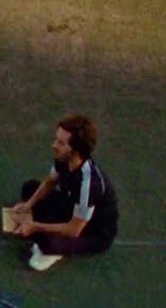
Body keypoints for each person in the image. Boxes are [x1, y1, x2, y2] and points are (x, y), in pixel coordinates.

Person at [9, 114, 118, 271]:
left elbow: (74, 230)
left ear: (75, 151)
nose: (54, 145)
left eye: (60, 143)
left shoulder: (89, 183)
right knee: (30, 188)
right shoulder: (63, 159)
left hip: (92, 232)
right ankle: (44, 226)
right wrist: (28, 204)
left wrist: (35, 227)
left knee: (49, 243)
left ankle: (52, 249)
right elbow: (50, 182)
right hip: (72, 207)